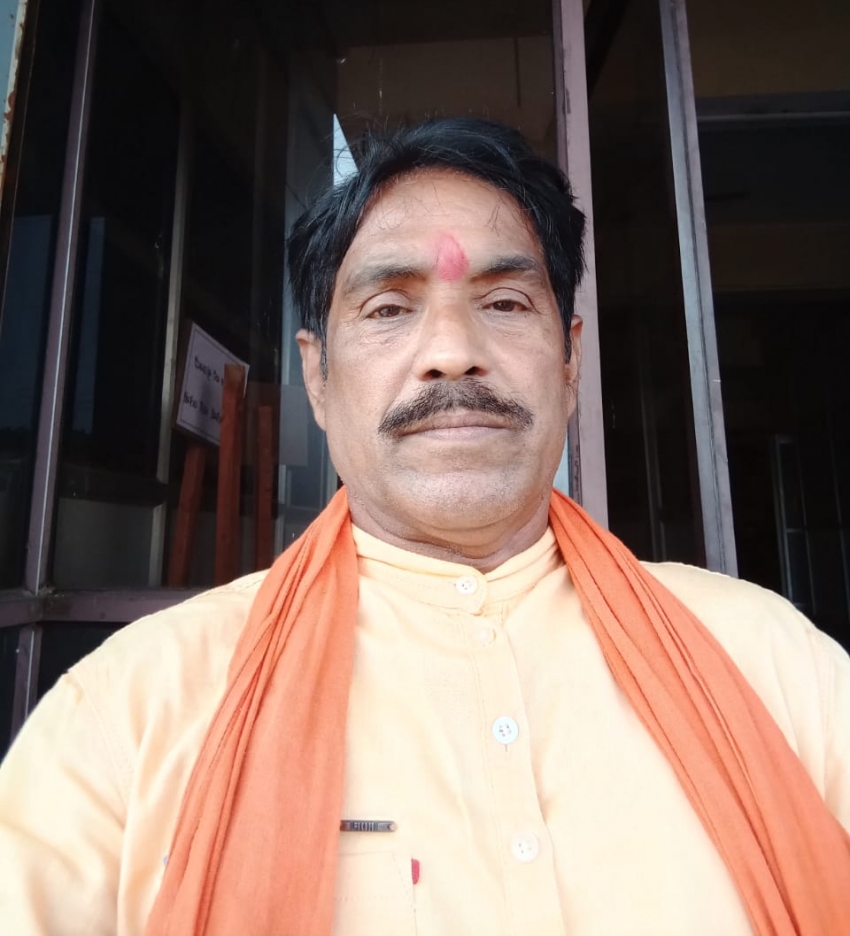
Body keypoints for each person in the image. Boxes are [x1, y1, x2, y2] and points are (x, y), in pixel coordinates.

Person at [1, 117, 849, 936]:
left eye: (506, 301)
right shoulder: (129, 714)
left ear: (569, 361)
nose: (451, 349)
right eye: (388, 308)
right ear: (317, 376)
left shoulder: (773, 663)